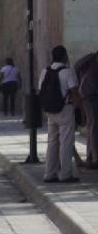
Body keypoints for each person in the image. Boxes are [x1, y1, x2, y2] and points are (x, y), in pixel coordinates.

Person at [39, 45, 82, 183]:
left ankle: (49, 174)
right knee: (66, 142)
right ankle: (66, 174)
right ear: (64, 56)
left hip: (50, 111)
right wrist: (81, 109)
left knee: (52, 142)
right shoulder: (68, 71)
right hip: (65, 110)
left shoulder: (45, 70)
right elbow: (74, 91)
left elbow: (41, 89)